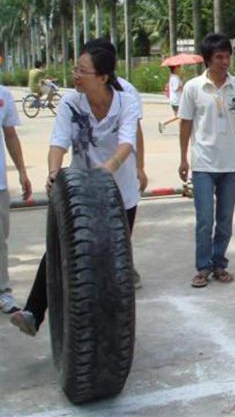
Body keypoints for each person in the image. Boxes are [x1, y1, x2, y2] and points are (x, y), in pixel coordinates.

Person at [10, 43, 139, 336]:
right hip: (80, 196)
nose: (75, 75)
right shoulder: (71, 102)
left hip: (121, 194)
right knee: (60, 249)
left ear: (102, 77)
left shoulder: (127, 102)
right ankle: (33, 312)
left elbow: (127, 143)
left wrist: (108, 169)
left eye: (82, 71)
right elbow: (59, 142)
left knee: (111, 260)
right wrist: (54, 172)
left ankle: (110, 330)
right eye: (75, 69)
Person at [179, 33, 235, 288]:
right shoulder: (193, 88)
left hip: (230, 164)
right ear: (207, 59)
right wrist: (183, 158)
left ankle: (219, 263)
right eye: (219, 57)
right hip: (203, 164)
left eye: (227, 56)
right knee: (205, 220)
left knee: (225, 219)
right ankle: (203, 267)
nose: (224, 62)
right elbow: (185, 124)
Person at [83, 38, 148, 288]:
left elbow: (135, 132)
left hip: (121, 173)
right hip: (89, 177)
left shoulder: (127, 93)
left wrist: (139, 166)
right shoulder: (77, 96)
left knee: (120, 232)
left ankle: (123, 268)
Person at [0, 85, 32, 314]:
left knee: (0, 240)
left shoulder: (3, 95)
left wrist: (22, 170)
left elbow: (10, 134)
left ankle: (3, 292)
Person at [158, 65, 183, 133]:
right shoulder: (175, 78)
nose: (180, 68)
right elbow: (175, 88)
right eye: (179, 67)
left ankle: (163, 123)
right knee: (180, 116)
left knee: (178, 116)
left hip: (175, 100)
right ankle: (180, 131)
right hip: (177, 100)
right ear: (175, 68)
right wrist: (182, 86)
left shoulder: (173, 77)